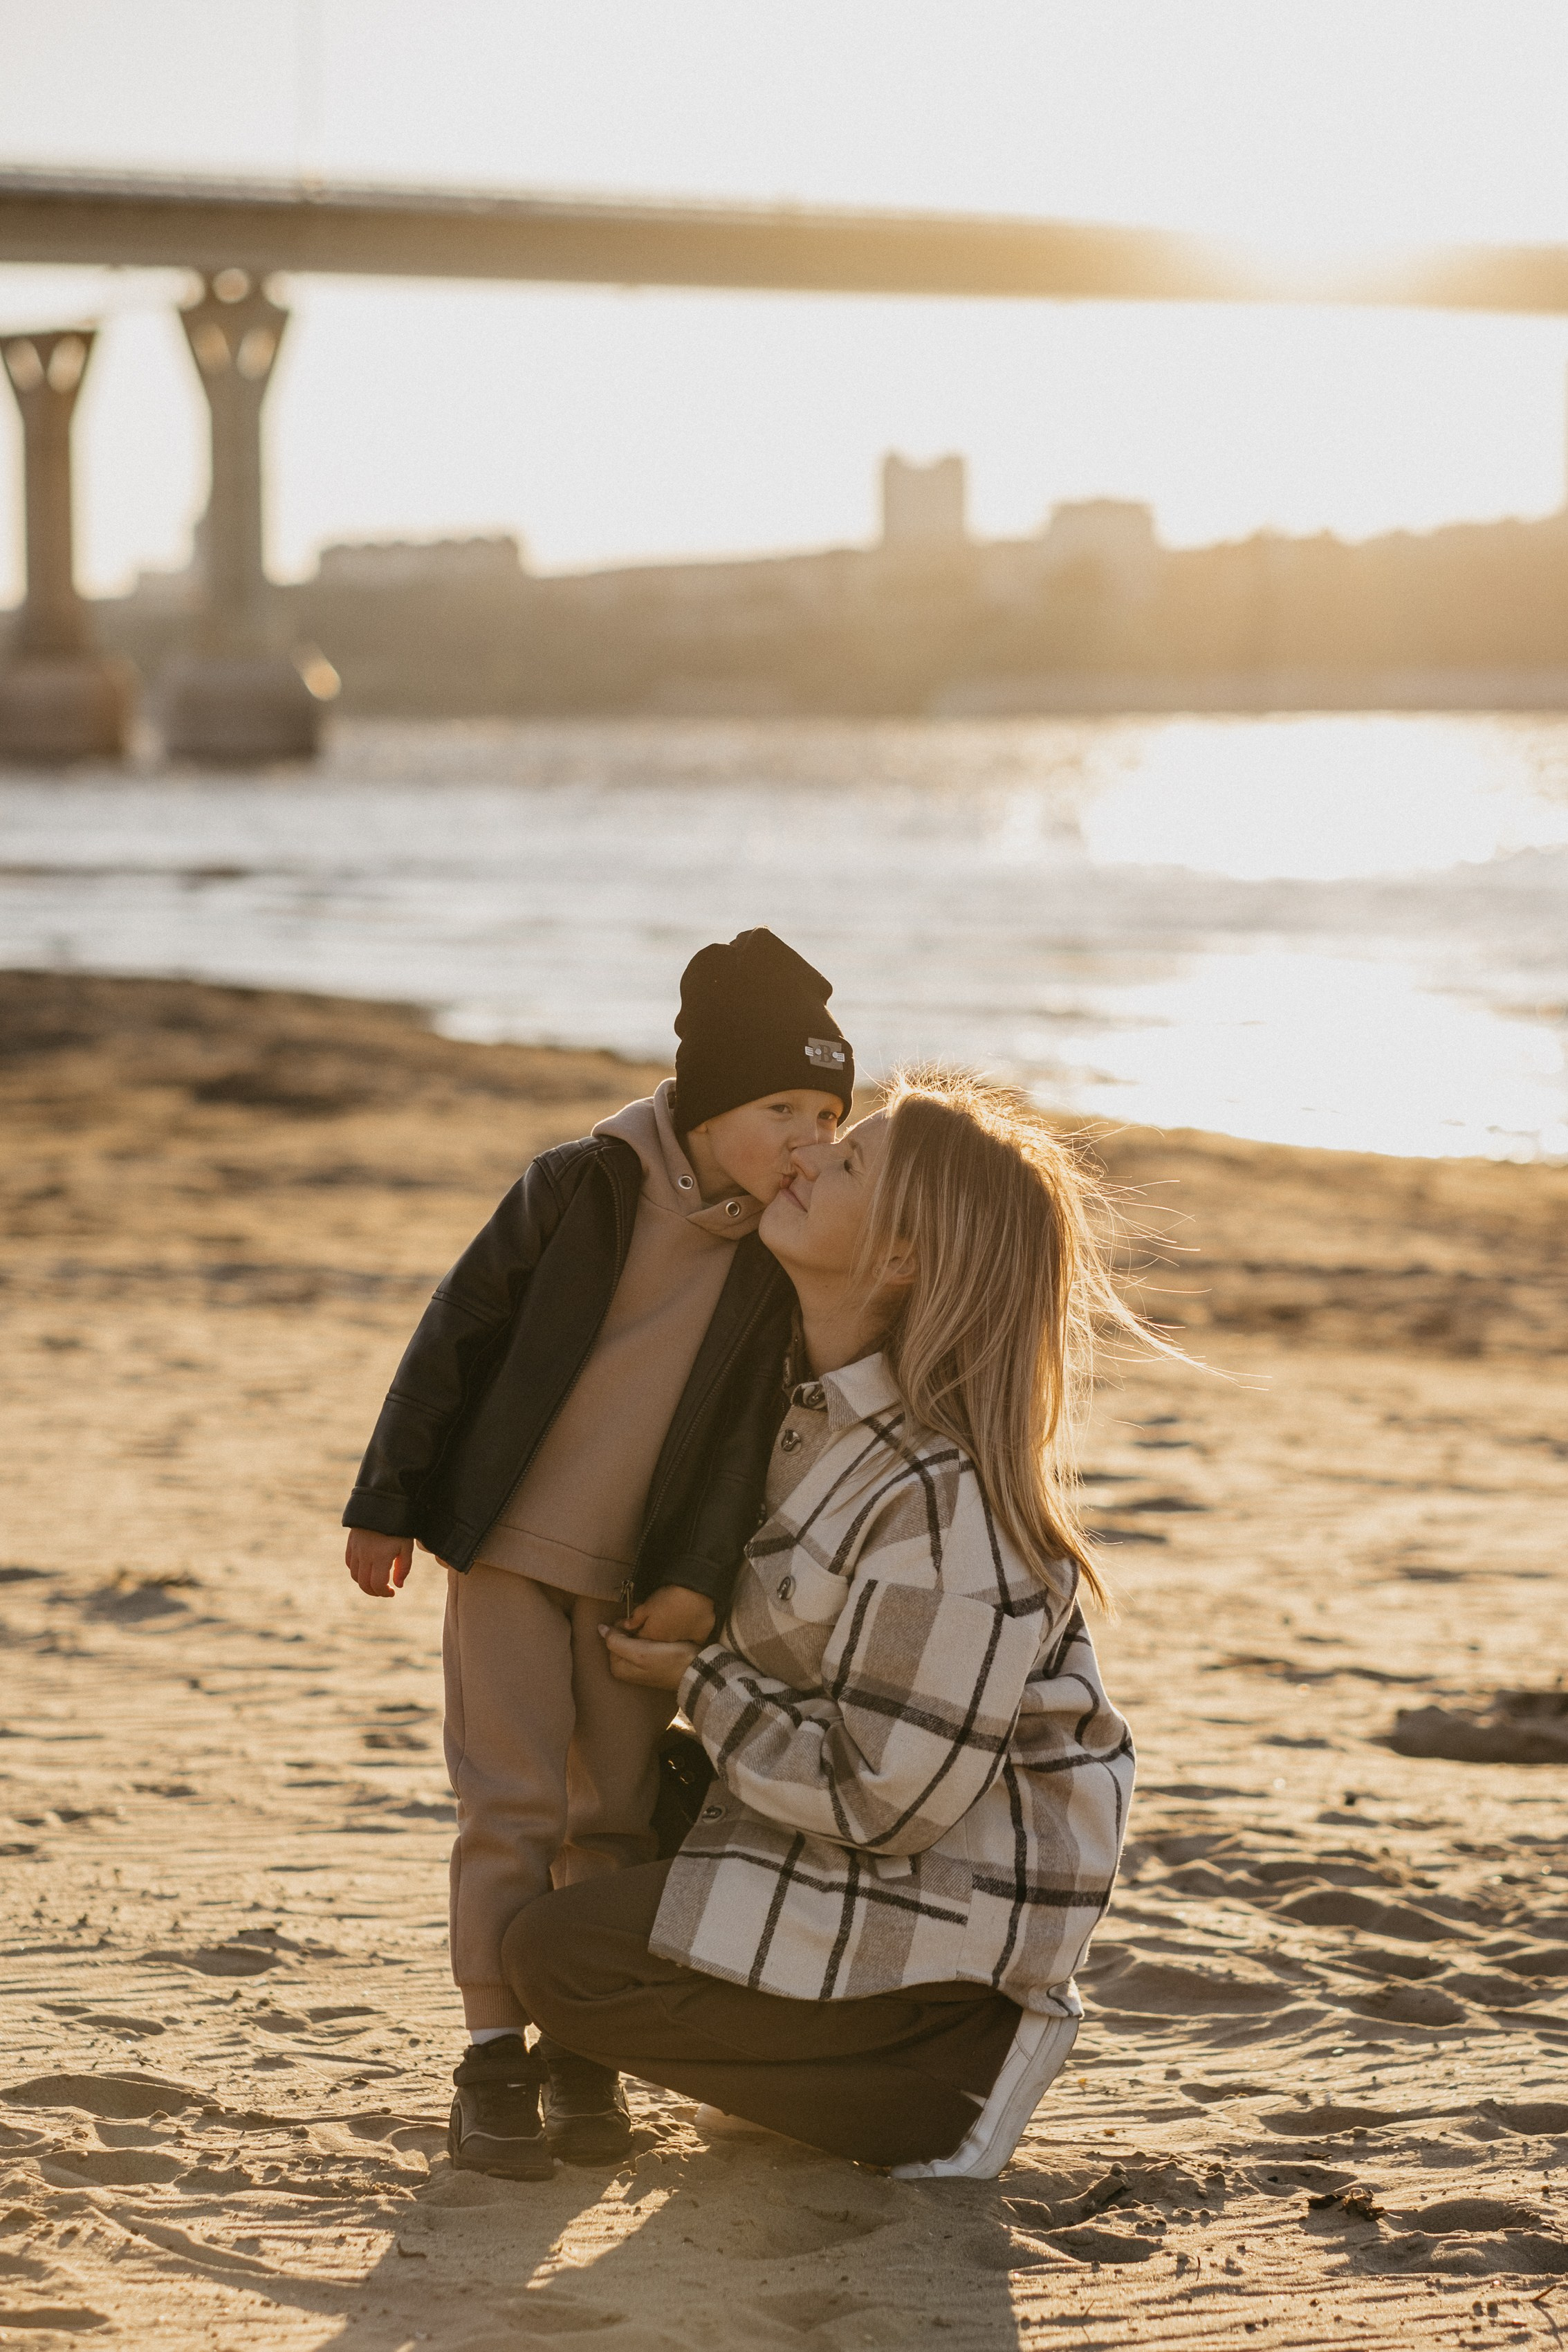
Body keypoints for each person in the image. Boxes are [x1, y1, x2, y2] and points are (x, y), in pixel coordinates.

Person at [501, 1072, 1160, 2179]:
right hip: (859, 1839)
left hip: (948, 1915)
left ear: (900, 1259)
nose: (805, 1156)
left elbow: (877, 1797)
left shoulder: (945, 1505)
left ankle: (938, 2087)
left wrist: (701, 1676)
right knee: (604, 1798)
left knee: (561, 1961)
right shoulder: (800, 1408)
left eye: (846, 1160)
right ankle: (813, 2069)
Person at [340, 929, 854, 2177]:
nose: (810, 1134)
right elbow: (455, 1333)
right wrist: (386, 1501)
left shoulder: (778, 1260)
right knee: (509, 1805)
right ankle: (490, 2061)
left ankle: (583, 2054)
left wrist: (691, 1587)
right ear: (707, 1097)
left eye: (832, 1111)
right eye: (782, 1104)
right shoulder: (578, 1185)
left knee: (613, 1820)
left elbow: (743, 1446)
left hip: (641, 1595)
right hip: (510, 1548)